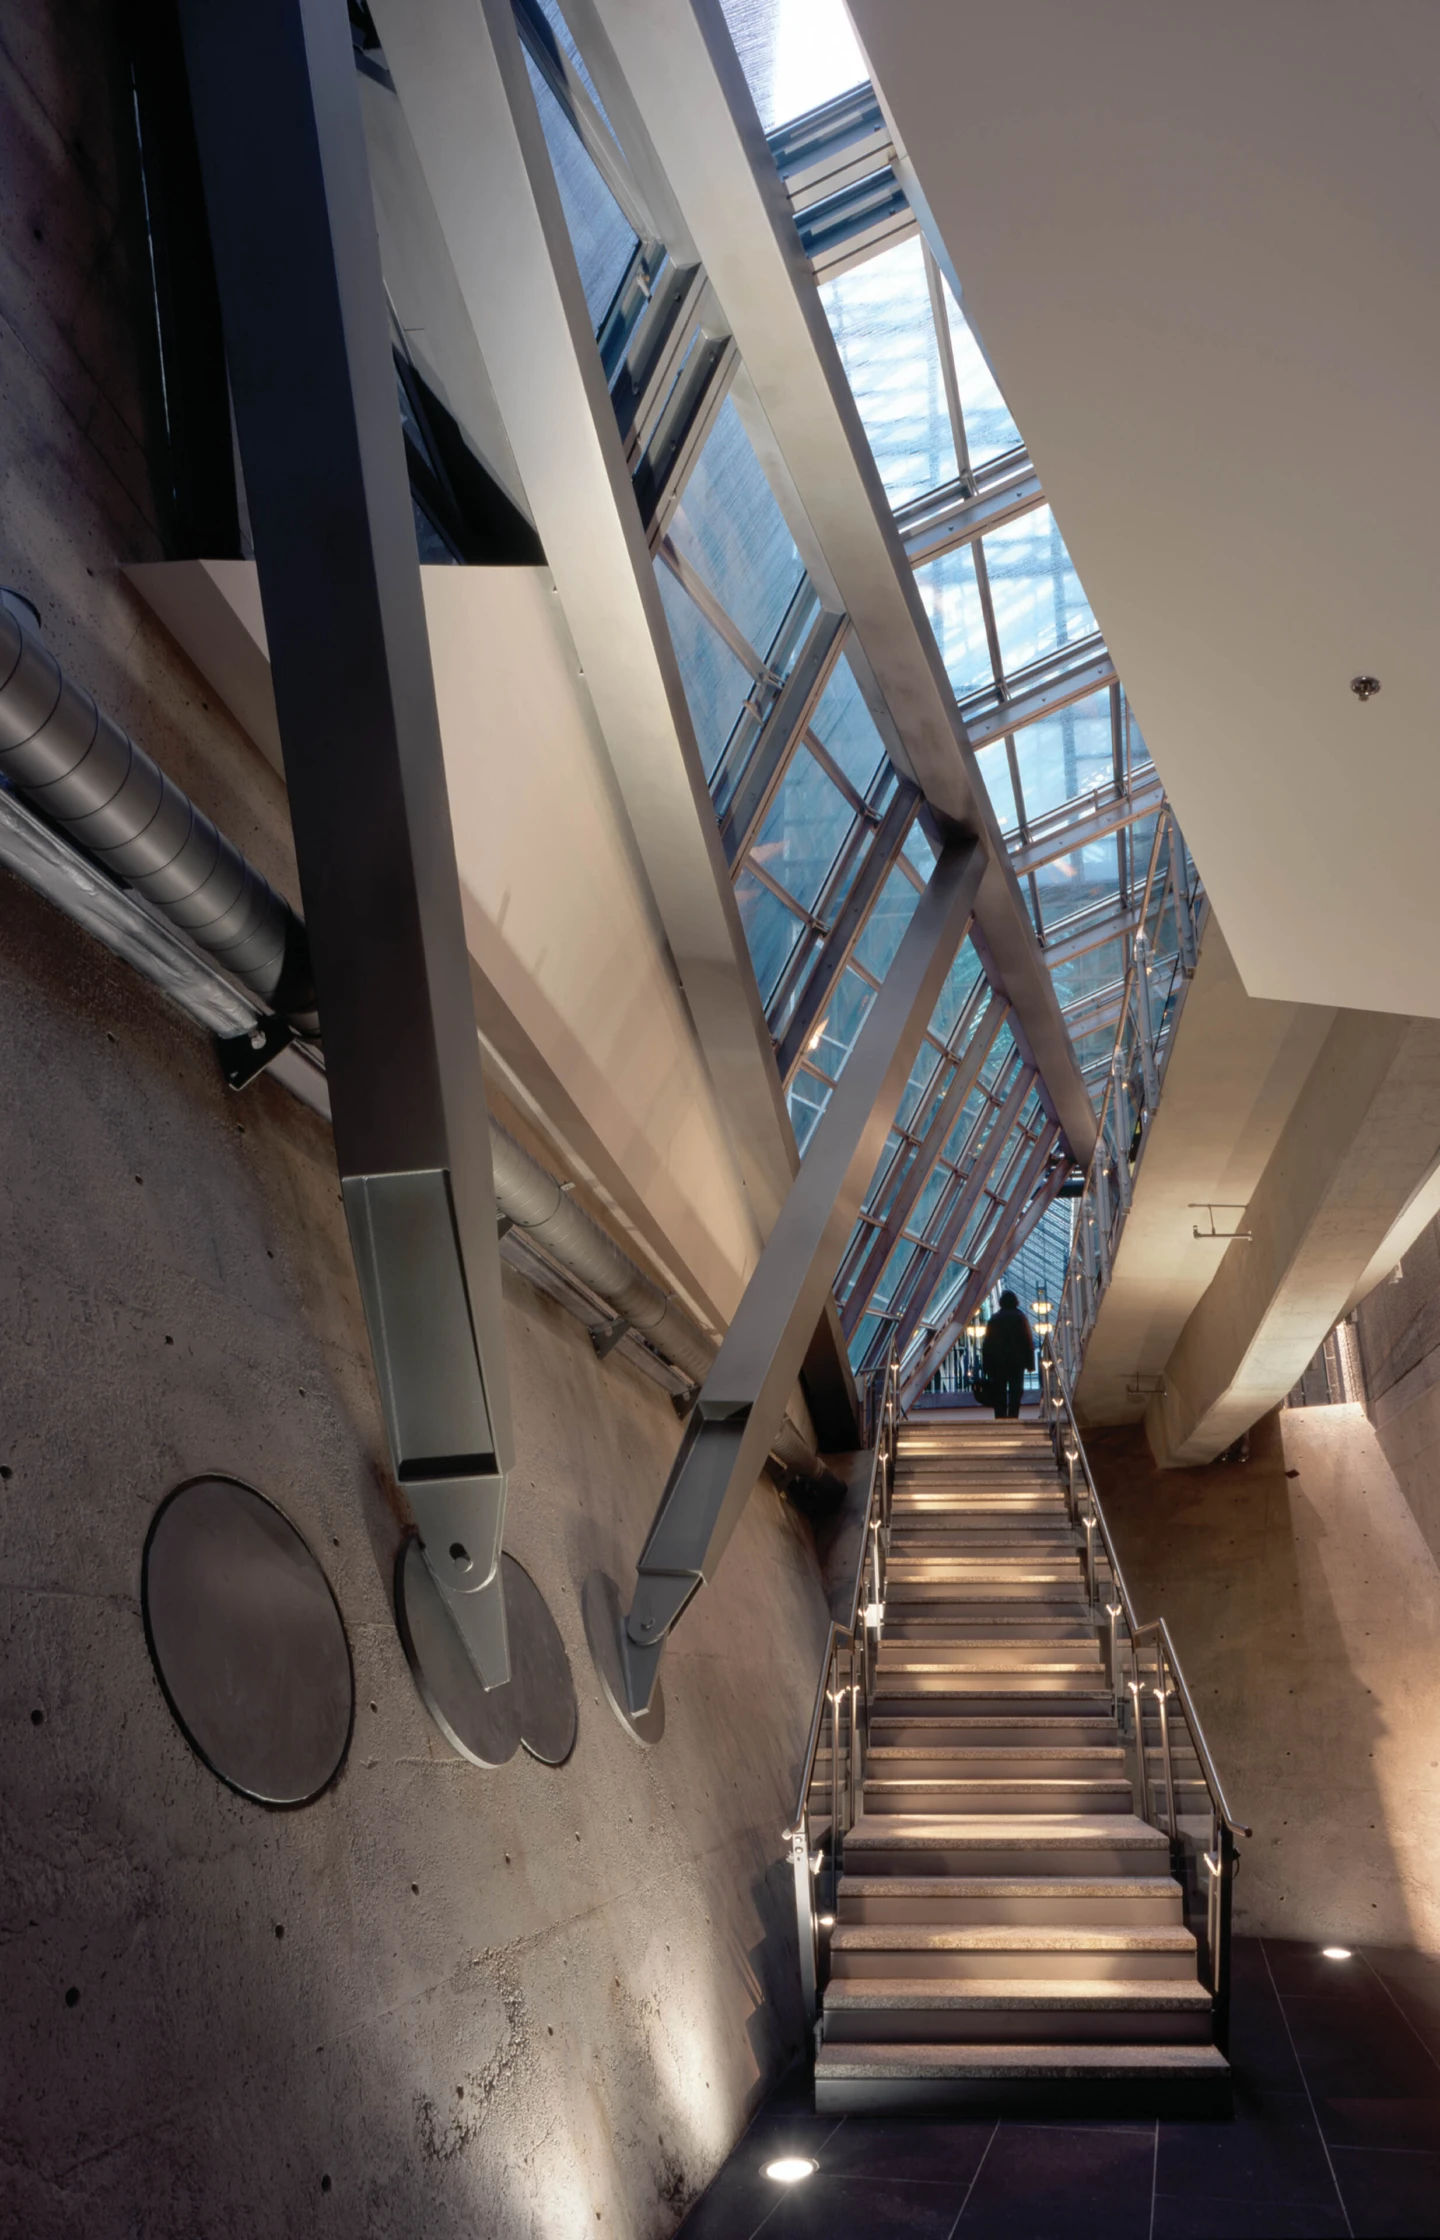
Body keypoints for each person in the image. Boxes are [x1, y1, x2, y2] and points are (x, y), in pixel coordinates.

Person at [980, 1289, 1034, 1419]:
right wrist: (1030, 1363)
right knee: (1016, 1390)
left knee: (999, 1391)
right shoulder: (1020, 1318)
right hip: (1017, 1362)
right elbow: (1027, 1340)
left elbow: (987, 1344)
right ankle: (1013, 1415)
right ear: (1015, 1302)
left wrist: (986, 1366)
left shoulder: (994, 1319)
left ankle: (1000, 1416)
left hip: (998, 1362)